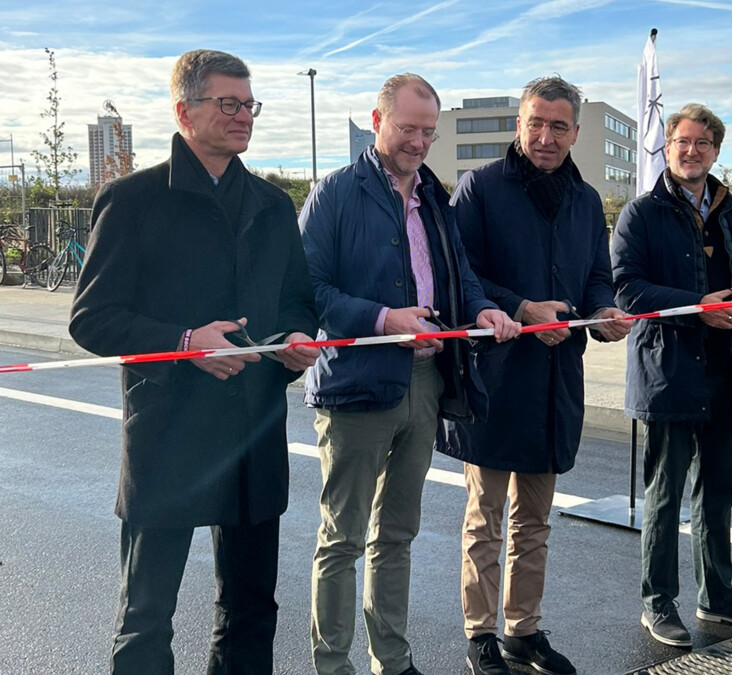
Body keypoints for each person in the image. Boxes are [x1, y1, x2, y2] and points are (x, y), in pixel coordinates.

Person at [69, 49, 320, 675]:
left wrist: (296, 340)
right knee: (146, 615)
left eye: (250, 104)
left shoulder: (271, 204)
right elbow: (92, 319)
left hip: (253, 433)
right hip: (168, 435)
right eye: (228, 103)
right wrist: (184, 341)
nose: (243, 116)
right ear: (184, 112)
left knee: (251, 610)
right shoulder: (132, 200)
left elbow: (298, 300)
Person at [299, 73, 520, 675]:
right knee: (342, 539)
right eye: (407, 129)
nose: (419, 142)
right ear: (377, 121)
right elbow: (308, 289)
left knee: (396, 534)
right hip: (355, 385)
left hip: (425, 384)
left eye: (428, 132)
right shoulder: (334, 193)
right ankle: (332, 667)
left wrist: (482, 308)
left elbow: (459, 274)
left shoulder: (435, 196)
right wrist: (383, 318)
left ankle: (392, 662)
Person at [438, 76, 631, 675]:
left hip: (555, 377)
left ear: (575, 132)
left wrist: (602, 311)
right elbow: (459, 274)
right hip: (496, 378)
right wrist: (522, 309)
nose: (546, 137)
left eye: (559, 126)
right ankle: (480, 634)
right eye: (536, 124)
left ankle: (523, 630)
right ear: (519, 125)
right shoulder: (481, 188)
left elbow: (596, 276)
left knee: (535, 520)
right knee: (485, 519)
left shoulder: (585, 199)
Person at [610, 103, 732, 649]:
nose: (691, 151)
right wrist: (695, 306)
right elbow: (626, 289)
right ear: (667, 147)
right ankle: (657, 601)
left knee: (718, 492)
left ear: (716, 151)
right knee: (665, 495)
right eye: (682, 142)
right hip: (669, 372)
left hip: (728, 370)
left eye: (702, 143)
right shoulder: (641, 213)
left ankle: (719, 596)